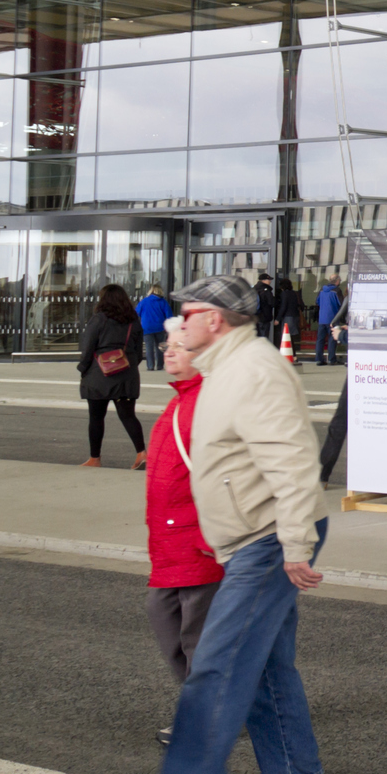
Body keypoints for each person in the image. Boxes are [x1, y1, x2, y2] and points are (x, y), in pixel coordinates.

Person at [134, 274, 327, 774]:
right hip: (256, 534)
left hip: (267, 537)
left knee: (217, 662)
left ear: (214, 319)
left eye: (186, 314)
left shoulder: (254, 370)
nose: (178, 324)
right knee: (263, 662)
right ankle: (293, 772)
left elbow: (292, 461)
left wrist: (294, 544)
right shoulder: (228, 365)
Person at [146, 320, 224, 746]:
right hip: (172, 547)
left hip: (197, 548)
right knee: (168, 623)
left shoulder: (203, 406)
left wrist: (211, 540)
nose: (168, 351)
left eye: (179, 346)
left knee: (197, 641)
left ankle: (206, 718)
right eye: (167, 344)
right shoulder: (179, 404)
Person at [80, 283, 147, 469]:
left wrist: (83, 368)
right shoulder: (133, 320)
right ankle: (142, 453)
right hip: (127, 375)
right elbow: (139, 353)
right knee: (128, 415)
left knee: (96, 417)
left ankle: (95, 459)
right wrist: (127, 366)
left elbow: (88, 348)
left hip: (99, 375)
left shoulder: (98, 319)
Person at [137, 284, 171, 372]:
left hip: (146, 328)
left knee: (149, 347)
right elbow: (169, 315)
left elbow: (137, 312)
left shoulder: (144, 301)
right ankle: (159, 365)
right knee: (160, 347)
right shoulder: (163, 302)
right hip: (160, 327)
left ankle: (150, 366)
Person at [313, 274, 344, 366]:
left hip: (322, 318)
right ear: (337, 281)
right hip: (333, 319)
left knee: (320, 340)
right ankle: (331, 359)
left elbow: (317, 301)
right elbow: (341, 304)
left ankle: (318, 359)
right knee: (332, 339)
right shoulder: (336, 291)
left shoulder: (322, 290)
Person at [273, 275, 303, 353]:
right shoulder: (294, 293)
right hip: (295, 316)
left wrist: (277, 319)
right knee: (291, 337)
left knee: (286, 337)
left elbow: (283, 307)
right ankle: (294, 355)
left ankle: (287, 354)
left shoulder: (284, 294)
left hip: (288, 318)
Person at [254, 271, 274, 342]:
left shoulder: (254, 289)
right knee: (264, 338)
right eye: (269, 280)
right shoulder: (266, 290)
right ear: (264, 281)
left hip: (255, 317)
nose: (270, 281)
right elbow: (271, 302)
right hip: (264, 317)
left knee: (257, 338)